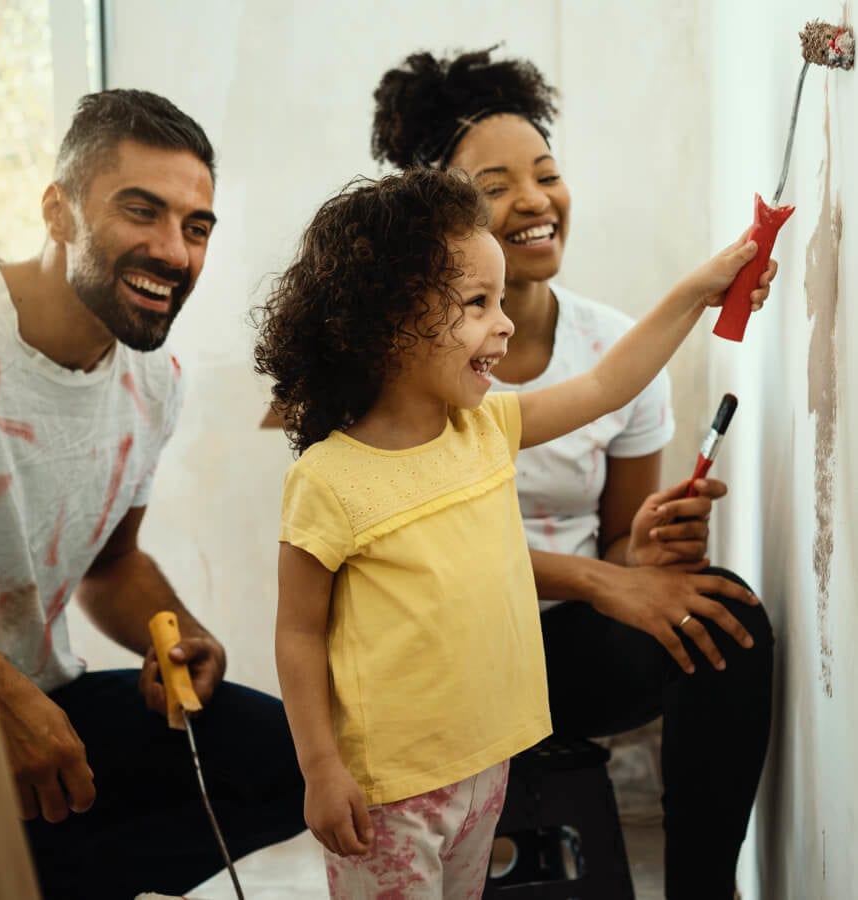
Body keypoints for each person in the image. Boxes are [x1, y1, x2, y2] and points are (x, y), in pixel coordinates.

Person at [251, 165, 774, 898]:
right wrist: (321, 768)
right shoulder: (328, 480)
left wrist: (698, 290)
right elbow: (299, 633)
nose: (503, 322)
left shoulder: (486, 427)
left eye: (500, 301)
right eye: (477, 303)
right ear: (390, 320)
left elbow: (606, 385)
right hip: (391, 792)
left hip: (484, 768)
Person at [371, 47, 776, 899]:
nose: (533, 201)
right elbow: (427, 550)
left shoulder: (612, 350)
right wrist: (605, 583)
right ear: (439, 218)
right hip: (446, 655)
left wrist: (646, 551)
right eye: (495, 187)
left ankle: (705, 889)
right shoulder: (407, 365)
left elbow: (627, 551)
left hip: (562, 655)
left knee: (726, 617)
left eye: (547, 175)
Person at [0, 89, 304, 900]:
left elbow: (110, 564)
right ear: (58, 212)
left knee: (282, 762)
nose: (174, 252)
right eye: (140, 212)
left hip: (36, 701)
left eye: (196, 227)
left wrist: (182, 631)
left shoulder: (153, 380)